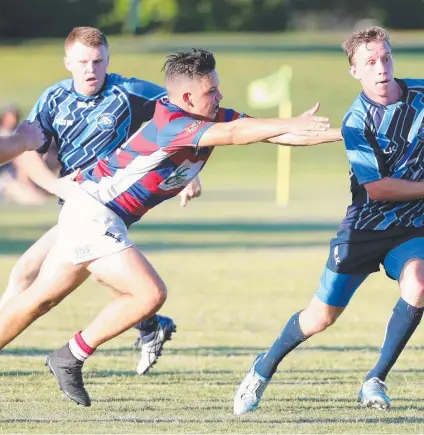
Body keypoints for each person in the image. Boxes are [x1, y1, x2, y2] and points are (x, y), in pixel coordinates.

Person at [0, 48, 342, 407]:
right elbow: (240, 133)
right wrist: (288, 121)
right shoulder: (172, 124)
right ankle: (70, 356)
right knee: (148, 294)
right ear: (188, 97)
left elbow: (270, 135)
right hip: (92, 212)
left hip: (94, 213)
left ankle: (68, 356)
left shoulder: (209, 117)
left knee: (38, 299)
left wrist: (344, 134)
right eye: (213, 91)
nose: (220, 96)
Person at [233, 26, 424, 415]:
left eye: (385, 58)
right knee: (319, 318)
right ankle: (262, 368)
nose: (381, 68)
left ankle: (374, 380)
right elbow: (377, 189)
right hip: (364, 228)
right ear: (355, 72)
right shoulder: (356, 121)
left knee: (418, 282)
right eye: (370, 62)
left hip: (414, 227)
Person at [0, 26, 201, 376]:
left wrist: (189, 168)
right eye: (83, 62)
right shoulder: (53, 99)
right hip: (76, 205)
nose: (91, 69)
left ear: (109, 60)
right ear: (68, 62)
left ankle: (143, 324)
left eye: (98, 61)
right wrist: (55, 184)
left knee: (30, 277)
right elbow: (25, 147)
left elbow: (184, 118)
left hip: (106, 203)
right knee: (82, 274)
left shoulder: (128, 91)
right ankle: (150, 323)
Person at [0, 104, 58, 204]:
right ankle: (29, 189)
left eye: (15, 116)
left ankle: (34, 188)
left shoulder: (17, 132)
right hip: (6, 177)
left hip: (15, 173)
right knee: (30, 198)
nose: (13, 119)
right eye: (11, 116)